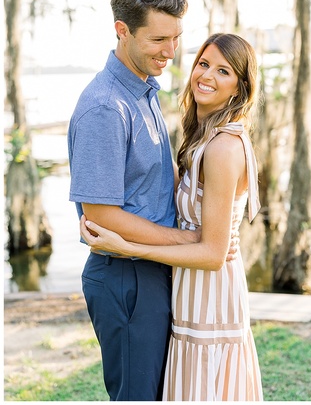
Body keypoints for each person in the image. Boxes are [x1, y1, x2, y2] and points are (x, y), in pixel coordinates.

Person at [80, 32, 263, 401]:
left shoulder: (223, 148)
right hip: (188, 289)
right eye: (204, 63)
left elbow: (213, 254)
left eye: (223, 71)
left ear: (239, 89)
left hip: (210, 297)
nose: (207, 75)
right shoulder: (200, 138)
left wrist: (127, 244)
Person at [68, 0, 195, 400]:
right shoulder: (105, 107)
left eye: (175, 38)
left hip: (151, 268)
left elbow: (154, 180)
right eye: (159, 40)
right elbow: (100, 215)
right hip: (126, 279)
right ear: (123, 31)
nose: (171, 51)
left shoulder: (143, 90)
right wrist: (183, 240)